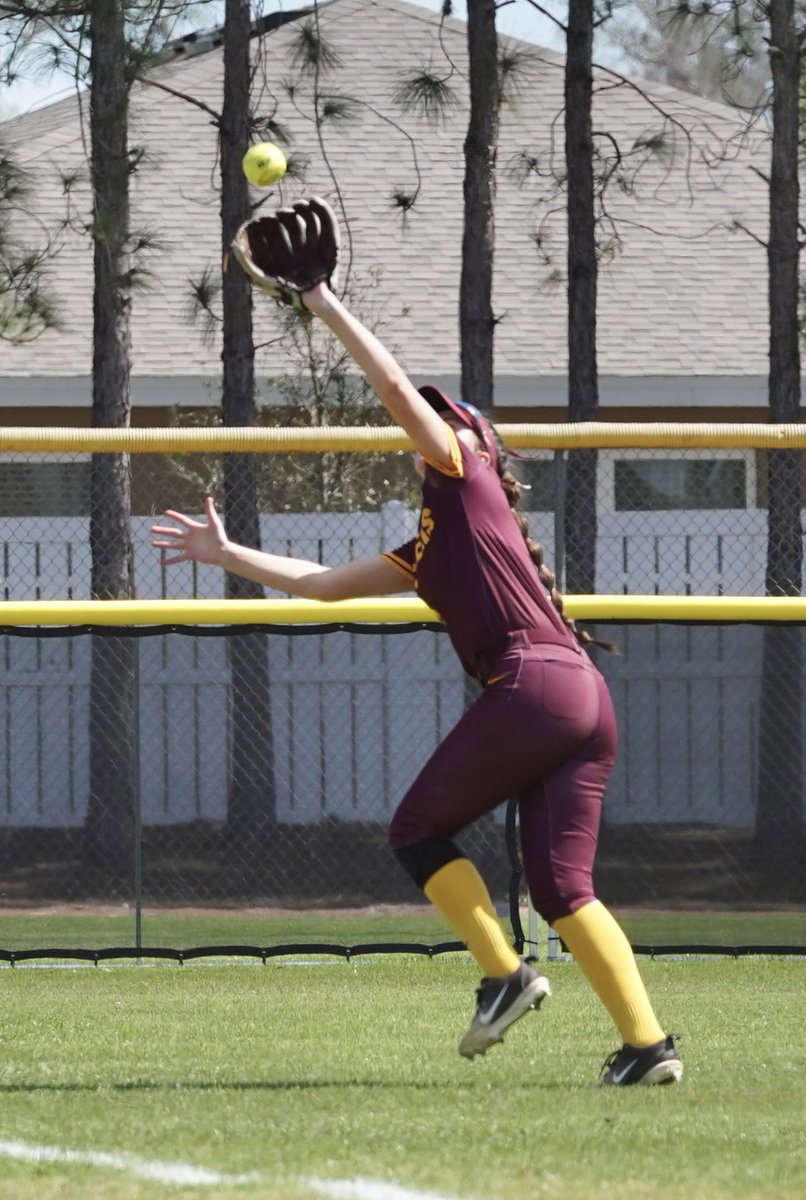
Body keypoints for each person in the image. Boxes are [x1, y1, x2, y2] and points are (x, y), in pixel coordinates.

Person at [151, 277, 682, 1087]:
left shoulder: (464, 472)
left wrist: (321, 302)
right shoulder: (432, 541)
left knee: (414, 831)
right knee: (563, 888)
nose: (428, 421)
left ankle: (505, 977)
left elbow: (395, 388)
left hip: (537, 687)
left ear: (475, 444)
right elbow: (323, 583)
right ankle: (648, 1047)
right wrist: (229, 557)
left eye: (448, 415)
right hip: (583, 698)